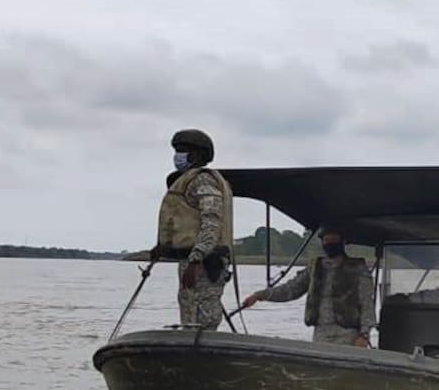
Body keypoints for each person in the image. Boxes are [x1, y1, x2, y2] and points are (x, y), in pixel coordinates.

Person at [152, 128, 233, 329]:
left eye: (183, 150)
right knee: (190, 314)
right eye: (177, 150)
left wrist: (197, 258)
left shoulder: (203, 180)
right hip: (193, 260)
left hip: (205, 263)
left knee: (202, 320)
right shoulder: (188, 180)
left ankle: (203, 355)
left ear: (197, 155)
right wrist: (163, 248)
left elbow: (211, 221)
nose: (177, 156)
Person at [240, 227, 376, 347]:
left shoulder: (357, 268)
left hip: (348, 334)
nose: (329, 243)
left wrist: (364, 335)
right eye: (326, 240)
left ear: (342, 241)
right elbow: (290, 290)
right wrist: (259, 295)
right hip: (321, 333)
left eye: (334, 239)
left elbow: (367, 303)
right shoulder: (314, 268)